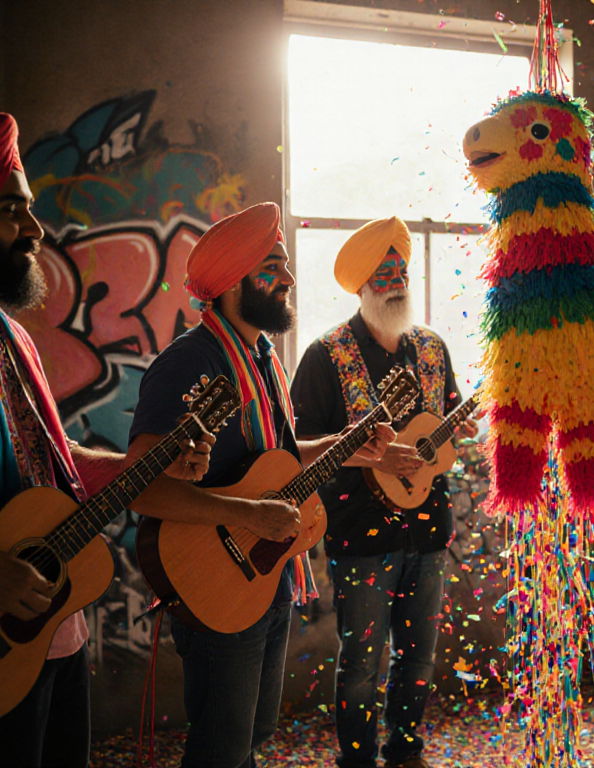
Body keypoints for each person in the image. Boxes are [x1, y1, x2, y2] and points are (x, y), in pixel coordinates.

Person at [0, 114, 211, 767]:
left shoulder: (14, 341)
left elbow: (56, 467)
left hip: (53, 634)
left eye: (30, 211)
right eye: (11, 210)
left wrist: (149, 465)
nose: (34, 231)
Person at [125, 203, 392, 768]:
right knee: (221, 748)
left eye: (286, 263)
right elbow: (141, 488)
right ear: (229, 283)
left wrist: (350, 444)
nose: (289, 279)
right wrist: (250, 516)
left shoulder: (264, 358)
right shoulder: (187, 364)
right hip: (215, 580)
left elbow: (281, 461)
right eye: (273, 265)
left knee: (250, 735)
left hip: (264, 572)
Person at [290, 217, 477, 768]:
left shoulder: (432, 348)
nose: (395, 281)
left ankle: (406, 751)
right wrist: (370, 454)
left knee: (419, 658)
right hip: (359, 533)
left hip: (428, 528)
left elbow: (444, 421)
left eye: (401, 270)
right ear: (360, 285)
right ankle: (357, 761)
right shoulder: (326, 355)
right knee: (362, 663)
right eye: (382, 273)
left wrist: (457, 429)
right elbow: (297, 446)